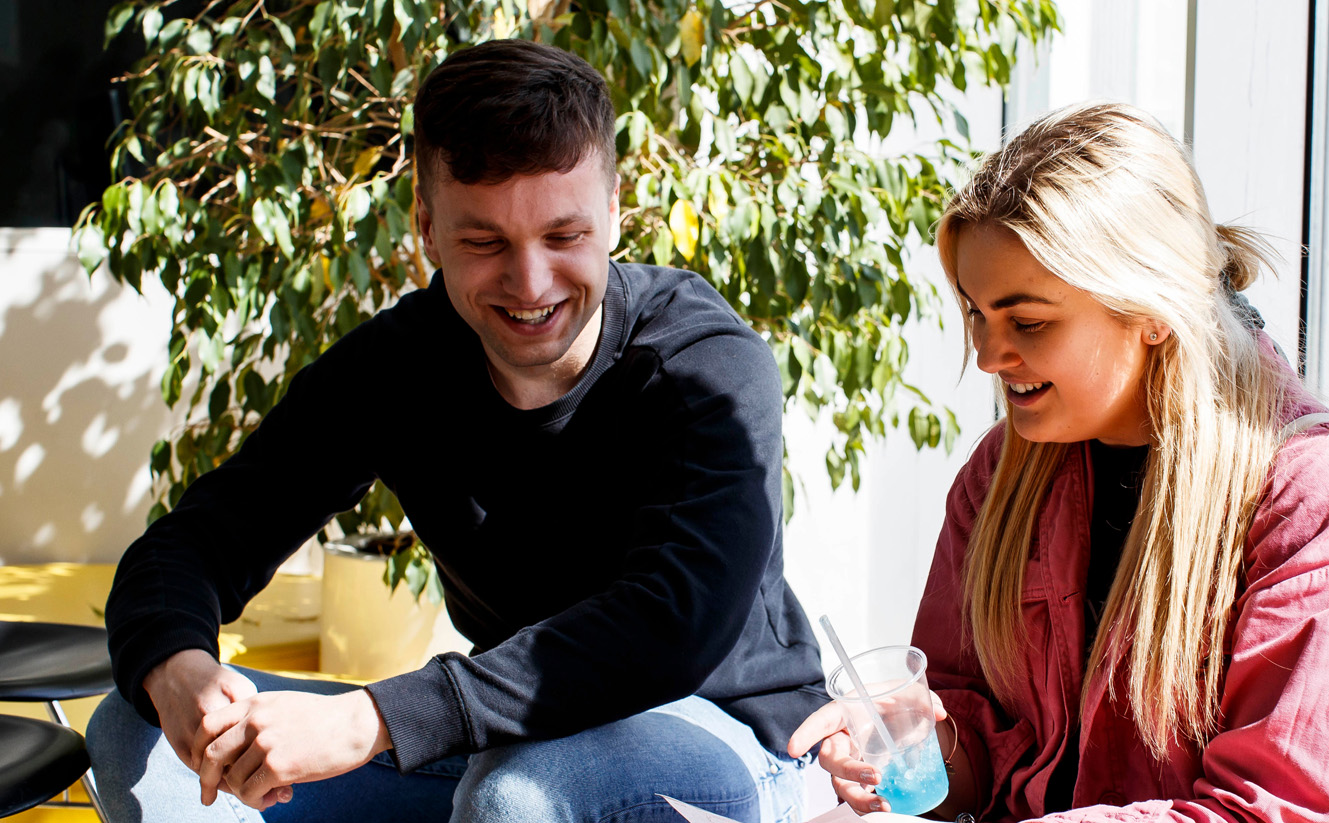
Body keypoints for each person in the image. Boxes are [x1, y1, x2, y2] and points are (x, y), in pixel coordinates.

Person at [87, 39, 827, 823]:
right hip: (510, 741)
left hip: (728, 738)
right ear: (426, 226)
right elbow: (193, 542)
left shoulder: (702, 361)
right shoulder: (401, 362)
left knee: (517, 794)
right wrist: (180, 669)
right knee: (136, 734)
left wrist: (372, 718)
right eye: (484, 243)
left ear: (614, 211)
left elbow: (673, 624)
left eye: (564, 236)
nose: (531, 282)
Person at [789, 102, 1329, 821]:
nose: (987, 356)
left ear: (1156, 308)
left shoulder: (1312, 493)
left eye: (1027, 321)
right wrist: (918, 746)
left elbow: (1276, 809)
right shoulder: (1000, 473)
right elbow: (981, 741)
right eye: (976, 311)